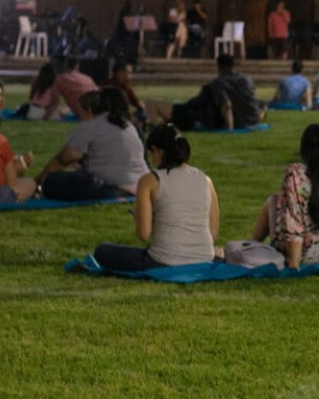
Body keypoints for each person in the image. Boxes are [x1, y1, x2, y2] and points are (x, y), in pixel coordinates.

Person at [240, 123, 319, 267]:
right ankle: (253, 244)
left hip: (304, 255)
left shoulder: (296, 177)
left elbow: (294, 227)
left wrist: (294, 265)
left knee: (274, 200)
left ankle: (252, 245)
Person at [91, 125, 218, 271]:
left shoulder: (150, 181)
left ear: (159, 152)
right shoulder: (206, 180)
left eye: (151, 153)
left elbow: (143, 234)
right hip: (204, 257)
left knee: (103, 251)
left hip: (164, 260)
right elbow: (212, 233)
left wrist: (140, 217)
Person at [37, 88, 149, 201]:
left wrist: (40, 179)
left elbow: (64, 159)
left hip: (110, 186)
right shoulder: (128, 125)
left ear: (89, 111)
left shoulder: (90, 126)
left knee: (52, 182)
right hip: (141, 183)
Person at [156, 54, 264, 131]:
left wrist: (229, 128)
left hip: (239, 121)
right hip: (253, 120)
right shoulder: (247, 79)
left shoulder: (219, 83)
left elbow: (226, 105)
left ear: (219, 67)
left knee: (186, 110)